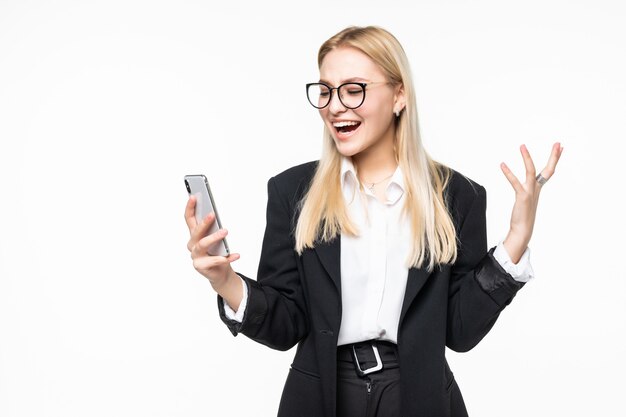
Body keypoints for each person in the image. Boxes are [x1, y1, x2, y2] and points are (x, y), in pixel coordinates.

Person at [184, 26, 563, 417]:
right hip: (321, 397)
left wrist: (515, 240)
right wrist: (225, 281)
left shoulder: (457, 196)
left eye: (353, 89)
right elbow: (286, 326)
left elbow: (460, 333)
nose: (334, 106)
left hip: (419, 396)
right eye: (326, 91)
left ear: (399, 95)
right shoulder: (293, 192)